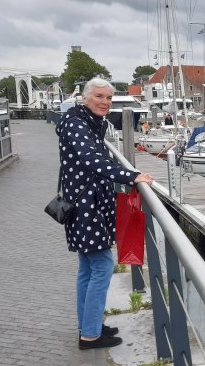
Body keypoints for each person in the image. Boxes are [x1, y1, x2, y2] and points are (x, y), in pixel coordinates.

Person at [55, 77, 154, 349]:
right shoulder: (76, 124)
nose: (105, 102)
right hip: (85, 207)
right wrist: (131, 176)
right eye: (99, 96)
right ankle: (90, 335)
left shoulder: (87, 121)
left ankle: (90, 325)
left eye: (109, 98)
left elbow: (96, 159)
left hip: (87, 204)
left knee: (88, 269)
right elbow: (92, 159)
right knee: (102, 266)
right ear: (85, 97)